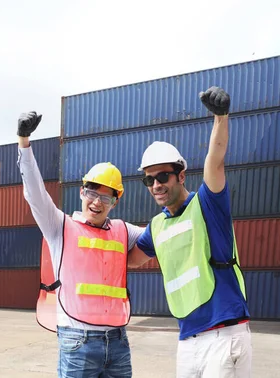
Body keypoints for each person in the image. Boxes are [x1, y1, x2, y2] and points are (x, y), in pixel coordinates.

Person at [130, 86, 252, 377]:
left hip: (225, 333)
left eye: (163, 176)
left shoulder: (208, 203)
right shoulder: (157, 227)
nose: (156, 185)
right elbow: (130, 259)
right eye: (149, 180)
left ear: (181, 175)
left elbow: (215, 159)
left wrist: (220, 117)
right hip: (187, 338)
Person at [17, 111, 146, 378]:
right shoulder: (59, 226)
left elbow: (160, 236)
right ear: (81, 192)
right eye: (91, 193)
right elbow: (35, 193)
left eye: (106, 198)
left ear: (115, 202)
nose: (97, 203)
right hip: (78, 340)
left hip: (118, 340)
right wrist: (24, 142)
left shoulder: (123, 230)